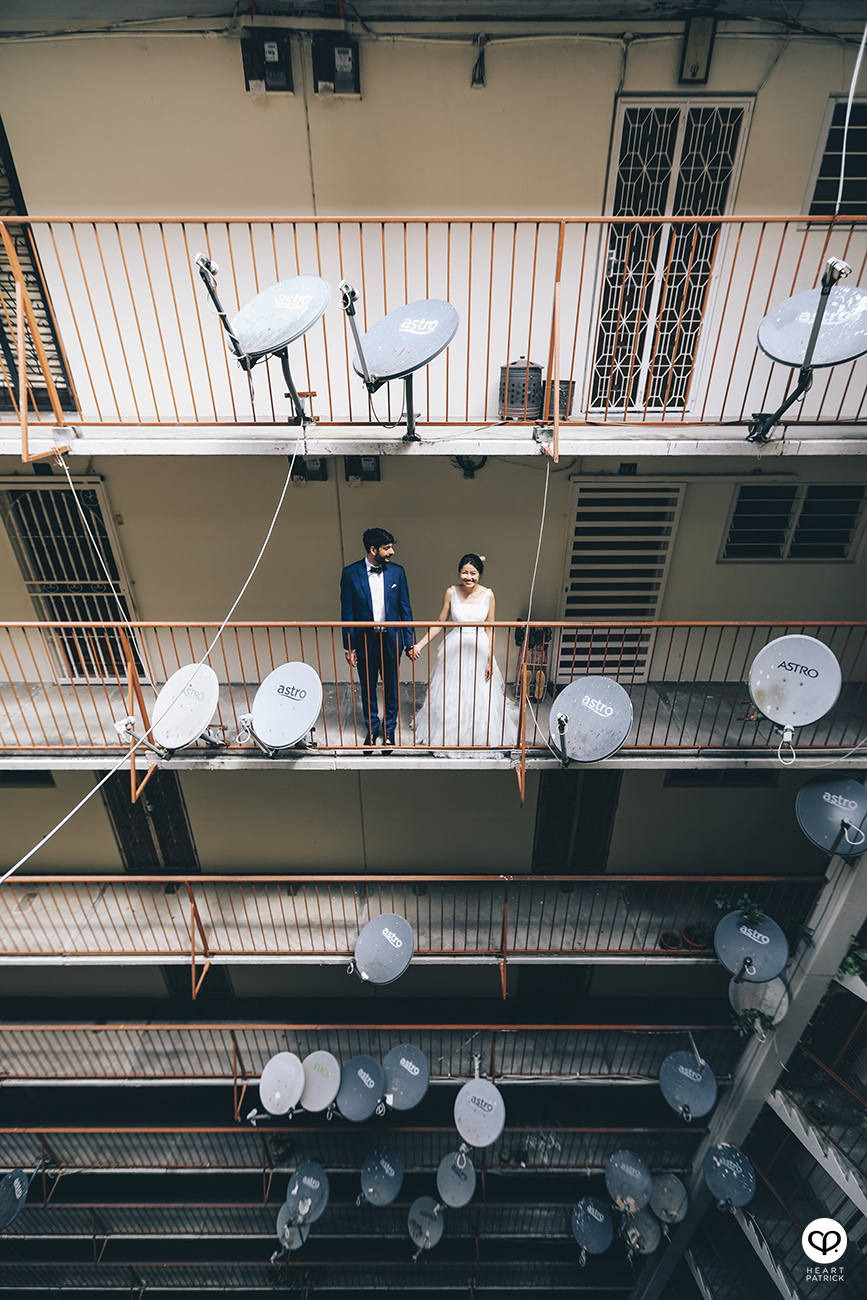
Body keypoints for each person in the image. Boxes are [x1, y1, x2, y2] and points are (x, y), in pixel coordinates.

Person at [408, 554, 519, 754]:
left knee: (478, 695)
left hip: (479, 649)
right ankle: (451, 736)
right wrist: (420, 645)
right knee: (452, 694)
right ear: (459, 572)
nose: (468, 577)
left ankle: (476, 737)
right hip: (455, 648)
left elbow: (490, 629)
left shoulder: (488, 595)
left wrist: (490, 660)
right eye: (464, 572)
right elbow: (440, 622)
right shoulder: (451, 592)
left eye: (473, 573)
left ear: (480, 574)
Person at [341, 527, 415, 753]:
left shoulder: (398, 572)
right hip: (364, 641)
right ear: (373, 550)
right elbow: (348, 613)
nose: (391, 552)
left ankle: (389, 730)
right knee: (367, 688)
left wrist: (410, 642)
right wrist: (349, 647)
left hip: (391, 640)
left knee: (391, 688)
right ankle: (373, 730)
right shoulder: (350, 573)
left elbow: (405, 609)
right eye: (387, 548)